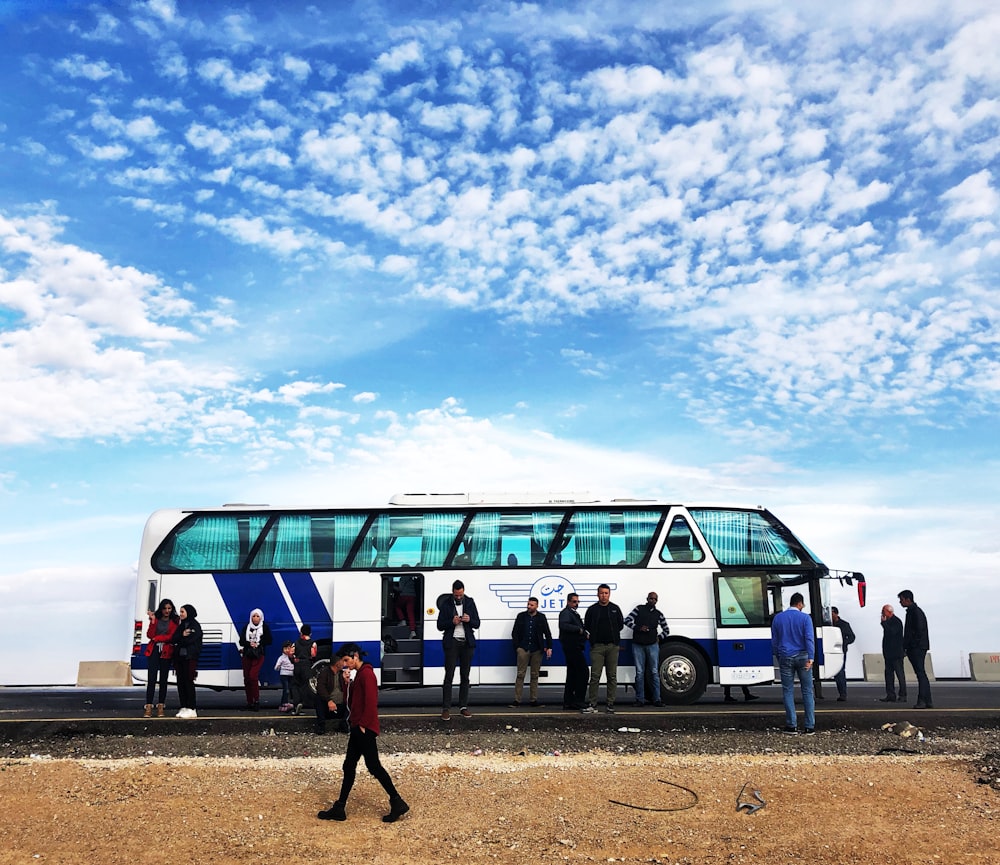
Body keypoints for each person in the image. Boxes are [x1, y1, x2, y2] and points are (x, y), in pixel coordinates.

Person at [317, 643, 409, 823]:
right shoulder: (361, 674)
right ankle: (341, 806)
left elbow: (371, 701)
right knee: (354, 765)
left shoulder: (366, 674)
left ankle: (396, 801)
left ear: (355, 656)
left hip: (362, 728)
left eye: (346, 660)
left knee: (369, 766)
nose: (345, 664)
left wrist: (364, 725)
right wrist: (346, 683)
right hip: (359, 727)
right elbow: (350, 702)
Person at [770, 591, 816, 735]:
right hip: (803, 656)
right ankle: (809, 726)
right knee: (807, 691)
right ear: (800, 603)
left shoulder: (778, 618)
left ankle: (791, 725)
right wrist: (811, 657)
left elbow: (775, 642)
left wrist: (779, 656)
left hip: (785, 657)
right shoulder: (805, 618)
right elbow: (809, 638)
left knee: (788, 691)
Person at [436, 579, 480, 721]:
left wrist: (469, 619)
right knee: (449, 676)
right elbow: (439, 625)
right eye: (456, 595)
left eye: (460, 595)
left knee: (465, 676)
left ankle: (463, 706)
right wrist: (451, 622)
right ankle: (446, 708)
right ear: (453, 592)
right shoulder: (446, 604)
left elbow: (477, 623)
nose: (459, 597)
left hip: (467, 643)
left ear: (464, 591)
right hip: (452, 642)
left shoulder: (470, 602)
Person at [582, 584, 624, 714]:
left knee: (612, 676)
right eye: (601, 593)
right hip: (597, 647)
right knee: (595, 676)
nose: (604, 595)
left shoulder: (615, 609)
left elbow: (620, 625)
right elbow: (587, 625)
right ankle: (592, 704)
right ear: (597, 594)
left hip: (612, 646)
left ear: (609, 594)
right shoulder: (592, 610)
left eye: (606, 593)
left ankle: (610, 703)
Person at [623, 591, 670, 707]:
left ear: (656, 601)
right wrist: (638, 628)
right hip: (638, 644)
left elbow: (666, 630)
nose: (652, 601)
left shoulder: (658, 614)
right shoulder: (639, 609)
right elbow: (627, 621)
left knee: (654, 672)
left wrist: (659, 637)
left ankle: (657, 699)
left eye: (654, 599)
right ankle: (640, 699)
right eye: (651, 598)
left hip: (652, 644)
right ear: (647, 599)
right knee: (639, 673)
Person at [509, 597, 553, 708]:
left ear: (537, 606)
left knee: (535, 675)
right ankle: (517, 700)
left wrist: (549, 647)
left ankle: (533, 700)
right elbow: (514, 633)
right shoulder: (521, 616)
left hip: (537, 649)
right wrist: (518, 648)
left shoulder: (541, 617)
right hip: (523, 649)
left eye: (532, 605)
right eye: (528, 604)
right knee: (520, 674)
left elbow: (547, 633)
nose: (529, 606)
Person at [143, 599, 179, 718]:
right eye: (165, 608)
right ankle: (148, 706)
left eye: (169, 608)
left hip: (166, 651)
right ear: (161, 609)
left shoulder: (174, 621)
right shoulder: (156, 619)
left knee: (163, 679)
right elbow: (150, 635)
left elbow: (171, 636)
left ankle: (160, 706)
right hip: (154, 651)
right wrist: (153, 622)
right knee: (151, 678)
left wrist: (158, 639)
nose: (167, 611)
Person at [898, 589, 932, 708]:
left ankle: (922, 701)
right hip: (918, 646)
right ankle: (928, 701)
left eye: (901, 600)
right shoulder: (914, 611)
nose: (900, 602)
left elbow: (918, 631)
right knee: (921, 673)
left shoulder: (915, 612)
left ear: (908, 599)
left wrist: (910, 646)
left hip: (917, 648)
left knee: (920, 674)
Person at [172, 604, 203, 719]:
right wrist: (182, 635)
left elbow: (190, 640)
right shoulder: (181, 626)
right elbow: (174, 638)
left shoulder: (195, 625)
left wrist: (181, 639)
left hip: (190, 657)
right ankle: (184, 706)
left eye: (182, 612)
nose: (180, 614)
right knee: (180, 682)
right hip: (180, 658)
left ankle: (192, 707)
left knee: (188, 681)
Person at [558, 592, 589, 710]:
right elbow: (564, 625)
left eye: (578, 602)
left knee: (572, 674)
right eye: (574, 602)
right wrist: (579, 630)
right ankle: (579, 700)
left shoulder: (573, 613)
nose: (576, 604)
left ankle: (568, 701)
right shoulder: (566, 613)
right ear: (568, 602)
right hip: (572, 646)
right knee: (583, 672)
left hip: (574, 646)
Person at [239, 608, 272, 711]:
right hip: (247, 654)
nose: (255, 618)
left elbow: (269, 640)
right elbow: (241, 641)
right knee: (247, 679)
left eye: (257, 616)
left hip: (259, 654)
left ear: (261, 617)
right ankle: (249, 702)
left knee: (253, 676)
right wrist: (250, 643)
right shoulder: (246, 627)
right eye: (254, 616)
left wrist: (258, 643)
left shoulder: (264, 628)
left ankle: (256, 701)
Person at [879, 603, 906, 702]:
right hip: (888, 653)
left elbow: (892, 632)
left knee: (900, 674)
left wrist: (884, 623)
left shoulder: (896, 621)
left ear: (889, 612)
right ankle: (890, 694)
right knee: (888, 674)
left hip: (896, 653)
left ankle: (903, 695)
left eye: (883, 611)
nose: (882, 613)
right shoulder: (890, 621)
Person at [314, 658, 349, 735]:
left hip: (341, 704)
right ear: (337, 664)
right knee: (318, 699)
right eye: (343, 661)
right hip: (328, 705)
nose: (344, 664)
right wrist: (329, 700)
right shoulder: (324, 673)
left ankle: (344, 724)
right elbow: (320, 688)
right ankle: (321, 726)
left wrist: (347, 681)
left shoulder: (342, 673)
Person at [831, 606, 856, 702]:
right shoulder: (827, 624)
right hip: (829, 650)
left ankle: (843, 693)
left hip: (841, 651)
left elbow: (852, 637)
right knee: (836, 672)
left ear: (836, 614)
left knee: (840, 671)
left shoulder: (844, 624)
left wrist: (843, 642)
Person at [292, 624, 317, 715]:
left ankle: (296, 704)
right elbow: (313, 655)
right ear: (310, 633)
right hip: (306, 665)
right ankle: (302, 704)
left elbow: (292, 653)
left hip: (297, 665)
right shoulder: (313, 643)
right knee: (304, 686)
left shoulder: (296, 642)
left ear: (301, 632)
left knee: (295, 685)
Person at [395, 573, 419, 639]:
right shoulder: (411, 579)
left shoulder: (403, 578)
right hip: (413, 596)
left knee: (397, 606)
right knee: (410, 613)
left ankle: (402, 620)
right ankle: (413, 631)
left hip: (404, 596)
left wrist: (393, 587)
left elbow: (400, 589)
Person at [274, 641, 296, 712]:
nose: (287, 650)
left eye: (289, 648)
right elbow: (276, 667)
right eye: (285, 648)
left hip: (291, 675)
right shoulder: (281, 658)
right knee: (286, 690)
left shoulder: (293, 657)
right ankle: (283, 704)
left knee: (290, 689)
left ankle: (287, 703)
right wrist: (278, 667)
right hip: (284, 675)